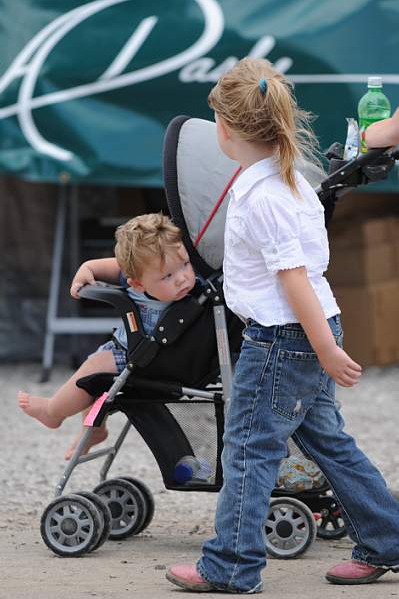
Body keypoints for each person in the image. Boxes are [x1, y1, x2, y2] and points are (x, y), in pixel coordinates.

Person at [166, 57, 399, 593]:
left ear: (225, 131)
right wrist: (324, 344)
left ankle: (231, 566)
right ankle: (387, 539)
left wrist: (323, 349)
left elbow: (293, 280)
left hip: (282, 340)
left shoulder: (264, 194)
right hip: (306, 334)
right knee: (329, 443)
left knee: (248, 447)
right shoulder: (290, 177)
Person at [18, 213, 196, 457]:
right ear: (137, 284)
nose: (182, 278)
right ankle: (93, 427)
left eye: (185, 264)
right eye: (167, 276)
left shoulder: (197, 292)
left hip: (145, 357)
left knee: (96, 368)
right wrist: (84, 273)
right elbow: (94, 266)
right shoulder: (137, 273)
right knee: (97, 385)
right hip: (130, 350)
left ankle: (52, 411)